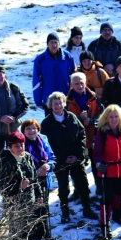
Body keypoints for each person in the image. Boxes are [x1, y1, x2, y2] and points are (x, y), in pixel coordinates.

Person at [0, 131, 46, 240]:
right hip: (14, 203)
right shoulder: (3, 161)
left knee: (30, 227)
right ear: (9, 147)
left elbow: (34, 179)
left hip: (30, 200)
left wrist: (39, 195)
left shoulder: (27, 157)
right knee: (17, 230)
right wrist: (18, 187)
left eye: (21, 145)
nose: (20, 148)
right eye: (16, 146)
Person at [41, 92, 95, 224]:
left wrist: (77, 155)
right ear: (51, 106)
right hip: (60, 162)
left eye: (60, 103)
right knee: (63, 188)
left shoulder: (72, 117)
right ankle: (65, 212)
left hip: (76, 159)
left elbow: (82, 136)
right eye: (55, 104)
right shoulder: (47, 123)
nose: (58, 106)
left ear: (64, 103)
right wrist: (62, 158)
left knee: (83, 184)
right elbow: (47, 144)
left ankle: (87, 208)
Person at [92, 105, 121, 232]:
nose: (114, 119)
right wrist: (98, 164)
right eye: (111, 117)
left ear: (120, 117)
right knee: (106, 197)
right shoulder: (102, 132)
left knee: (119, 193)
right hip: (107, 169)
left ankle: (118, 215)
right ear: (106, 118)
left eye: (116, 116)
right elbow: (96, 153)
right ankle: (105, 222)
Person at [20, 118, 55, 236]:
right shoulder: (21, 144)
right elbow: (20, 166)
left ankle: (45, 233)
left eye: (34, 128)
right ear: (23, 131)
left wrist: (48, 166)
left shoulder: (43, 140)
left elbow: (52, 158)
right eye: (28, 129)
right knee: (33, 209)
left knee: (44, 207)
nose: (32, 131)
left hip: (45, 180)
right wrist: (36, 172)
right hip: (30, 184)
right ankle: (34, 234)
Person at [33, 33, 77, 116]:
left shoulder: (68, 57)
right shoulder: (40, 60)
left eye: (56, 42)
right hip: (48, 100)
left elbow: (74, 77)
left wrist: (73, 95)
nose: (54, 45)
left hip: (65, 99)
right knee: (51, 126)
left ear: (59, 44)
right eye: (51, 42)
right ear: (47, 44)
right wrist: (38, 100)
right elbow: (36, 82)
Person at [66, 71, 103, 155]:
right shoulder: (67, 101)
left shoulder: (94, 96)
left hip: (94, 135)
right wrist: (80, 119)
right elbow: (66, 120)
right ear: (71, 85)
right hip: (77, 138)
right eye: (76, 84)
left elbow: (102, 114)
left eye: (82, 83)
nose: (80, 86)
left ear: (86, 83)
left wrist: (91, 121)